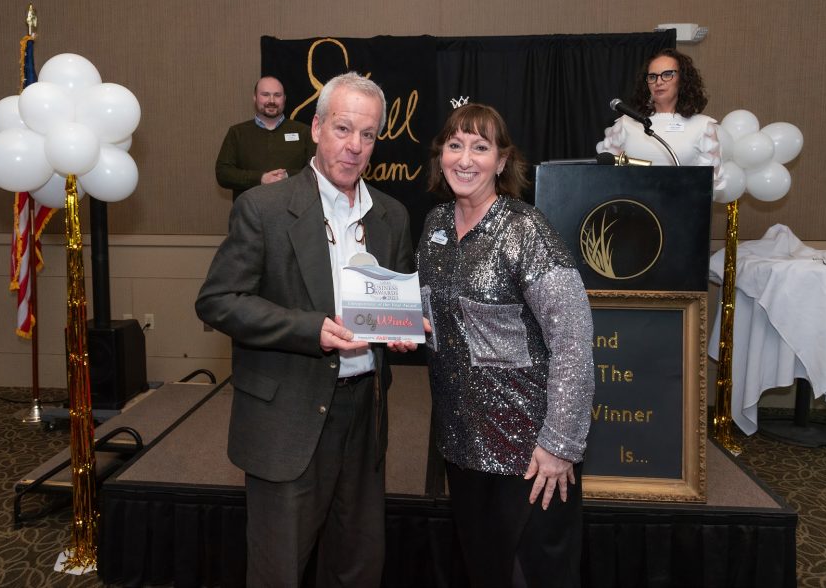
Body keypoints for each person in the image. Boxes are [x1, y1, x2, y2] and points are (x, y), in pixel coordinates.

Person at [196, 72, 416, 587]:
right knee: (279, 569)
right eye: (342, 129)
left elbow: (395, 302)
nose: (354, 146)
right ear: (316, 128)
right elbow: (217, 302)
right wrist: (307, 329)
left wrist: (403, 329)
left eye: (367, 135)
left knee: (358, 565)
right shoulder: (264, 208)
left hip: (366, 415)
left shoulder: (391, 215)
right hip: (288, 415)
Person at [417, 103, 595, 587]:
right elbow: (435, 313)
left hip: (529, 452)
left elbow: (574, 340)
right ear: (441, 157)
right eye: (455, 145)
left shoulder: (525, 229)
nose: (465, 158)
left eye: (480, 146)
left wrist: (559, 444)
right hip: (461, 441)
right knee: (484, 569)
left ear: (501, 161)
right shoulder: (434, 226)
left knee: (532, 574)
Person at [597, 48, 725, 187]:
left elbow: (710, 184)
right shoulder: (626, 123)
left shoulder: (703, 126)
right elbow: (605, 175)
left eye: (667, 74)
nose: (658, 82)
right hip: (634, 206)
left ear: (682, 79)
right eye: (652, 76)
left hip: (682, 206)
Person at [215, 75, 316, 200]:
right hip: (249, 213)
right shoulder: (237, 133)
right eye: (265, 94)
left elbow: (316, 171)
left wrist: (288, 176)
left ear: (284, 99)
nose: (271, 100)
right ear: (255, 98)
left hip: (294, 214)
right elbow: (223, 173)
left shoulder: (304, 132)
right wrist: (261, 178)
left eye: (277, 95)